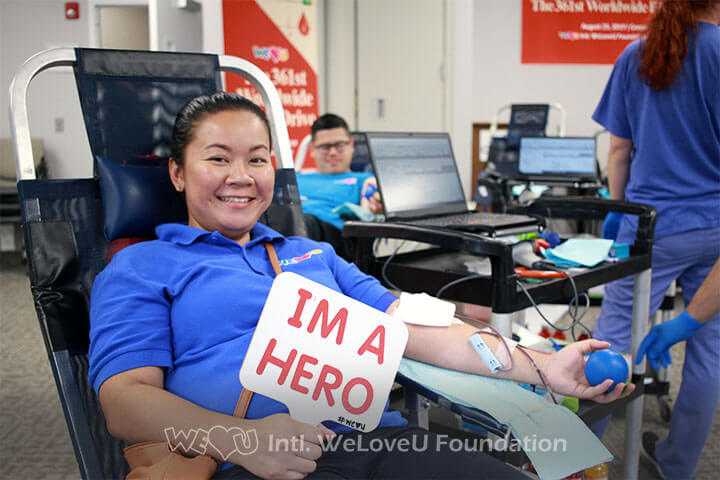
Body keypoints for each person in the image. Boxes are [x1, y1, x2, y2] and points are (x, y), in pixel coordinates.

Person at [88, 92, 630, 479]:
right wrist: (244, 441)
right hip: (249, 463)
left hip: (376, 441)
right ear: (179, 174)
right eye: (217, 159)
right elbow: (124, 402)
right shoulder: (143, 267)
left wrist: (539, 364)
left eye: (257, 159)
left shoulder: (310, 254)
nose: (241, 175)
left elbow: (417, 327)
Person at [591, 1, 720, 478]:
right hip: (716, 227)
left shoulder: (637, 54)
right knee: (708, 350)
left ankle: (577, 461)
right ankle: (678, 465)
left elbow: (620, 149)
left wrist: (617, 209)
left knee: (608, 347)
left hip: (652, 226)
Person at [296, 114, 381, 260]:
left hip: (334, 238)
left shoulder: (364, 179)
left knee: (304, 221)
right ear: (313, 150)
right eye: (325, 147)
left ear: (351, 145)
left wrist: (376, 206)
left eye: (340, 145)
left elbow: (371, 207)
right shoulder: (296, 177)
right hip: (290, 230)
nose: (333, 152)